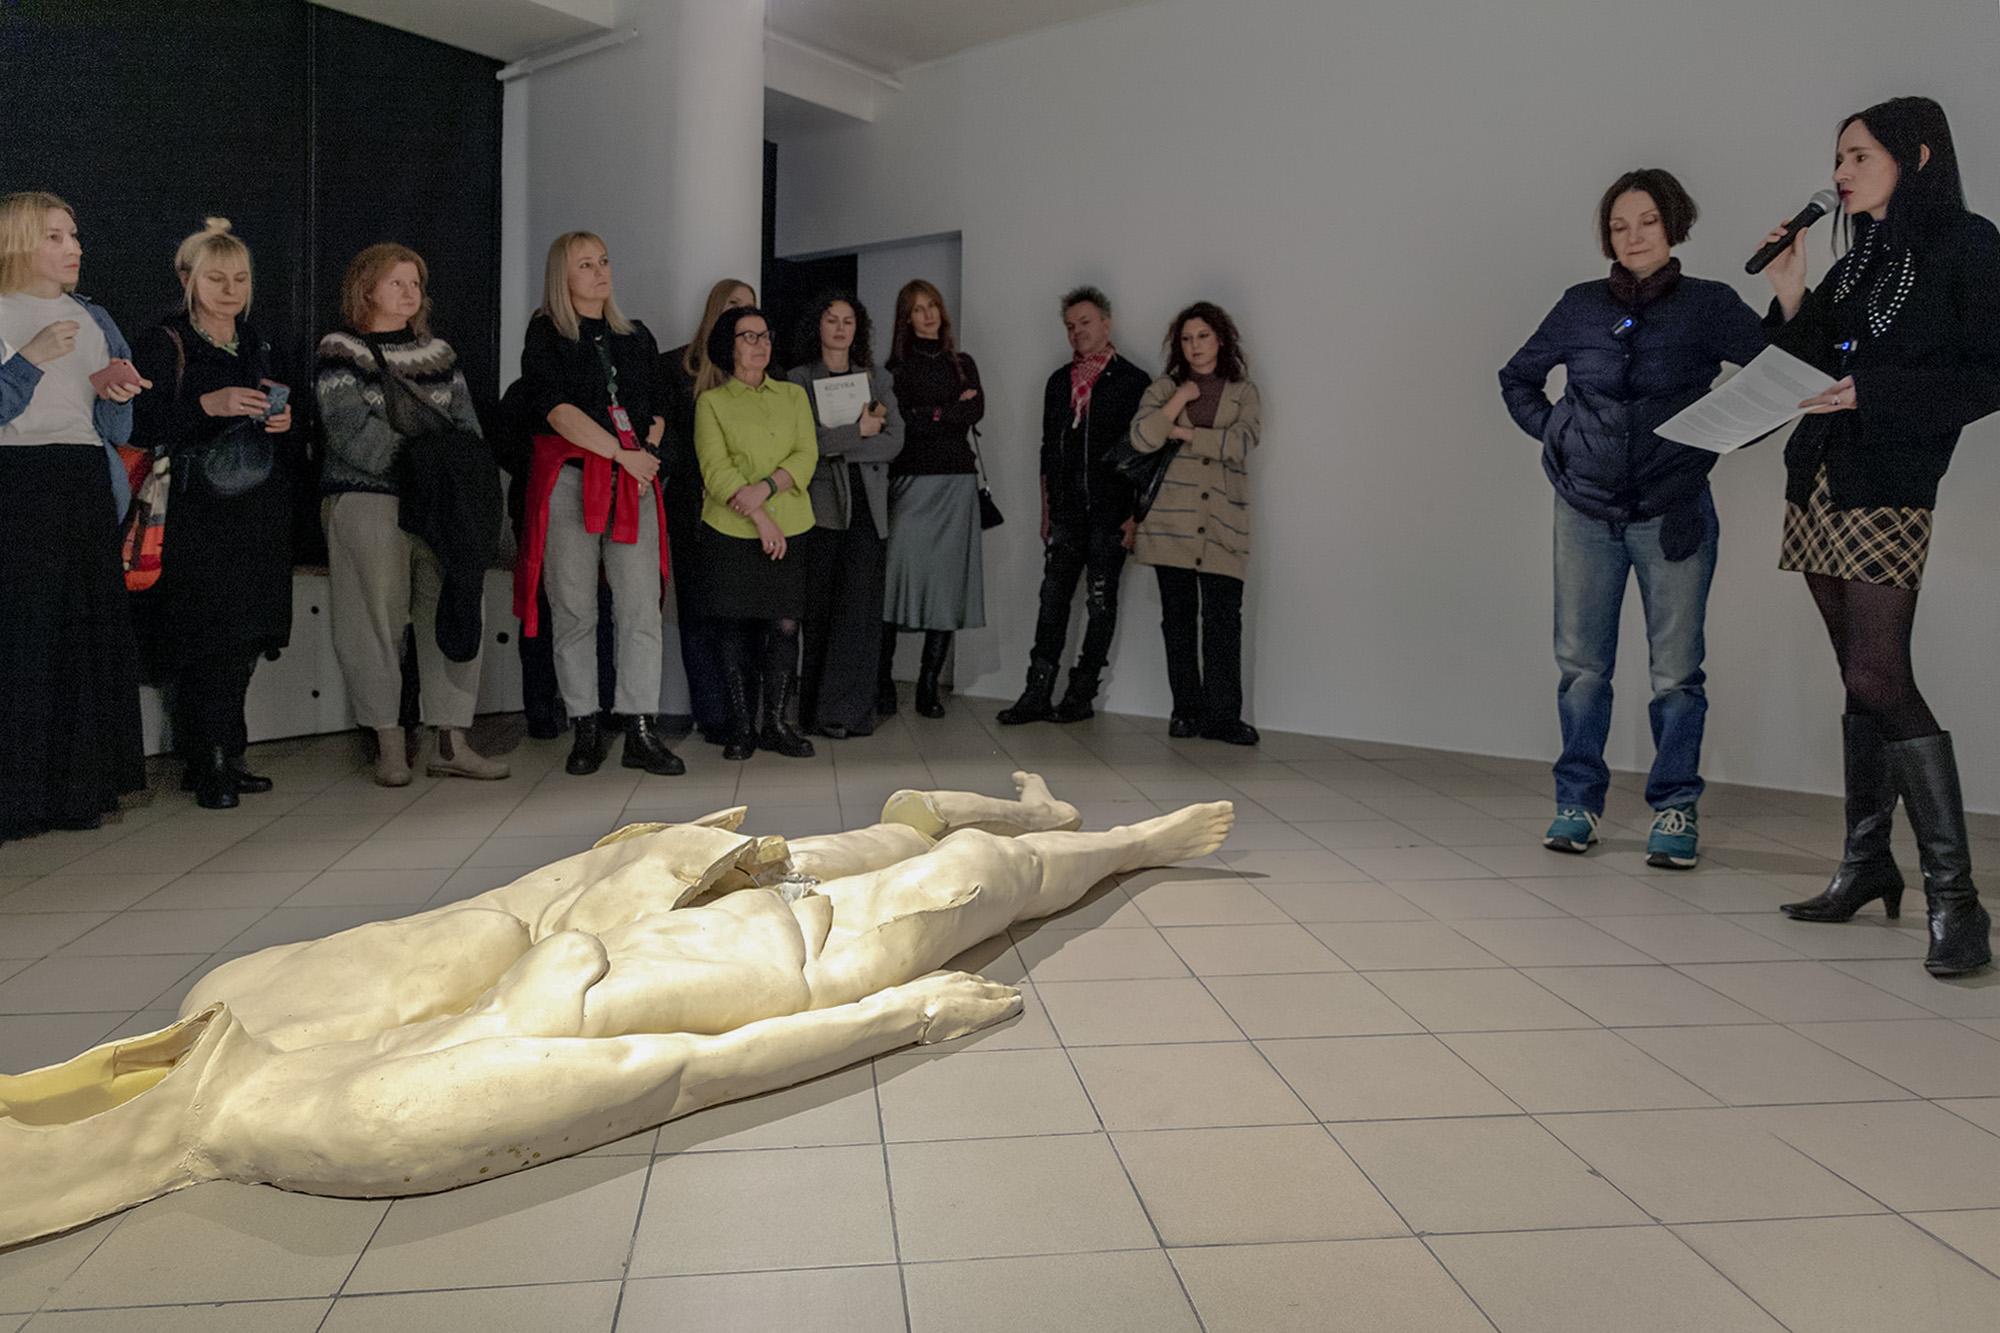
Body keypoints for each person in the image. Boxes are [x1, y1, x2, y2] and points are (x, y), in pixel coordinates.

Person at [0, 773, 1233, 1247]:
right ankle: (1130, 843)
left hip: (661, 901)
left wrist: (630, 858)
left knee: (892, 831)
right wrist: (898, 1017)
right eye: (35, 1114)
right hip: (774, 963)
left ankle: (1032, 808)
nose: (68, 1073)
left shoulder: (232, 1005)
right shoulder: (353, 1119)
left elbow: (493, 914)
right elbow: (679, 1072)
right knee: (980, 879)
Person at [1760, 98, 1998, 977]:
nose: (1840, 173)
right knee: (1857, 679)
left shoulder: (1969, 245)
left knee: (1878, 674)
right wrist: (1793, 287)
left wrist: (1877, 391)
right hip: (1820, 477)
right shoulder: (1860, 255)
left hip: (1890, 484)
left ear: (1918, 155)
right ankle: (1866, 862)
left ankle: (1956, 899)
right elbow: (1806, 363)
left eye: (1858, 156)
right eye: (1838, 157)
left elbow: (1989, 371)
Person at [1499, 169, 1765, 869]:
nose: (1632, 236)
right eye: (1618, 226)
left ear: (1673, 223)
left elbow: (1777, 376)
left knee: (1676, 674)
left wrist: (1721, 439)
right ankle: (1577, 803)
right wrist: (1558, 431)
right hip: (1583, 511)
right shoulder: (1580, 306)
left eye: (1646, 221)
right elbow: (1517, 378)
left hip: (1673, 512)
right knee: (1581, 668)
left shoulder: (1709, 305)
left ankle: (1675, 807)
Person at [318, 243, 509, 788]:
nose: (409, 293)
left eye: (415, 283)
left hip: (443, 503)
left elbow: (467, 428)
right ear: (367, 289)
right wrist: (423, 464)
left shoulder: (440, 354)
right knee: (373, 621)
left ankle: (452, 741)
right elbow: (348, 429)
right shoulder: (341, 348)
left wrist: (445, 473)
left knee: (451, 609)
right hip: (370, 496)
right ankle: (389, 744)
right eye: (396, 282)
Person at [130, 220, 295, 809]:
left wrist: (282, 419)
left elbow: (282, 409)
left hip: (256, 506)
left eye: (240, 279)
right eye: (216, 279)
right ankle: (208, 760)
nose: (230, 291)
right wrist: (207, 403)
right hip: (196, 511)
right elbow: (140, 423)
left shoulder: (257, 341)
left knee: (245, 637)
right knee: (206, 637)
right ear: (187, 279)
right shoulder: (164, 341)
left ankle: (229, 751)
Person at [0, 192, 147, 842]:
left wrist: (116, 389)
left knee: (81, 635)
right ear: (17, 241)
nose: (73, 247)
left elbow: (114, 427)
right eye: (55, 236)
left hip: (83, 477)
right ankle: (17, 798)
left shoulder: (92, 316)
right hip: (17, 480)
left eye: (74, 234)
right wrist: (27, 359)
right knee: (21, 637)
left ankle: (78, 788)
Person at [514, 231, 682, 779]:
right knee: (575, 610)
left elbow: (659, 405)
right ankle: (584, 725)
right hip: (573, 480)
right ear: (562, 276)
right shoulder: (546, 333)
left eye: (604, 261)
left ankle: (639, 728)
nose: (600, 271)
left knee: (640, 609)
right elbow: (557, 411)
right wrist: (619, 453)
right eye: (585, 264)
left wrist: (646, 453)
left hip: (633, 482)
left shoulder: (636, 335)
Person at [998, 286, 1150, 725]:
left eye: (1085, 322)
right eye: (1070, 326)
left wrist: (1136, 515)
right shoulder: (1058, 382)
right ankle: (1036, 693)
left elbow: (1146, 455)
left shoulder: (1134, 381)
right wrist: (1046, 511)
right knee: (1052, 601)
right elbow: (1048, 450)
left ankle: (1081, 695)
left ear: (1106, 323)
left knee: (1100, 603)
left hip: (1111, 513)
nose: (1077, 331)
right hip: (1066, 513)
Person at [1127, 302, 1263, 745]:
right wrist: (1180, 400)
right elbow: (1142, 436)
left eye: (1203, 336)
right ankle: (1185, 712)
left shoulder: (1243, 392)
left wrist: (1183, 432)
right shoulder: (1165, 388)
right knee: (1179, 620)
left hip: (1224, 521)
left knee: (1224, 621)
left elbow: (1241, 442)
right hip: (1172, 521)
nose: (1195, 346)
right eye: (1186, 339)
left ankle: (1224, 718)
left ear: (1220, 339)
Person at [692, 305, 819, 760]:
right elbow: (716, 469)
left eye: (765, 335)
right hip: (731, 529)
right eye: (749, 336)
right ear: (729, 346)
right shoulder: (711, 402)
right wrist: (762, 518)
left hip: (793, 525)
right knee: (734, 627)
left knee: (785, 625)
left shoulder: (793, 395)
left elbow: (806, 454)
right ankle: (742, 727)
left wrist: (765, 488)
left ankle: (777, 725)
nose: (760, 344)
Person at [788, 292, 903, 738]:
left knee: (861, 613)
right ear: (817, 326)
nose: (840, 328)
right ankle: (816, 712)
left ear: (859, 329)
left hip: (869, 509)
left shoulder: (877, 378)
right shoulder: (799, 379)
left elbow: (893, 441)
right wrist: (858, 431)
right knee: (820, 612)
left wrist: (840, 444)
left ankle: (851, 713)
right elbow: (806, 442)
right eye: (832, 319)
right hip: (821, 509)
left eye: (848, 321)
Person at [881, 280, 987, 719]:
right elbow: (903, 424)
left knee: (946, 587)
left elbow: (974, 411)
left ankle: (929, 684)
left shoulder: (963, 363)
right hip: (910, 480)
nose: (928, 315)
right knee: (894, 581)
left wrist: (930, 414)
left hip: (957, 482)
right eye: (918, 309)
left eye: (933, 306)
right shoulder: (893, 370)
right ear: (905, 319)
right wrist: (946, 411)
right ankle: (881, 680)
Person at [661, 278, 756, 744]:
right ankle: (712, 715)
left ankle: (746, 712)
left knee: (742, 614)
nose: (741, 312)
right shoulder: (676, 366)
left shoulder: (760, 372)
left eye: (749, 306)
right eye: (733, 304)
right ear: (715, 308)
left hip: (747, 508)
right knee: (698, 615)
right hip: (692, 508)